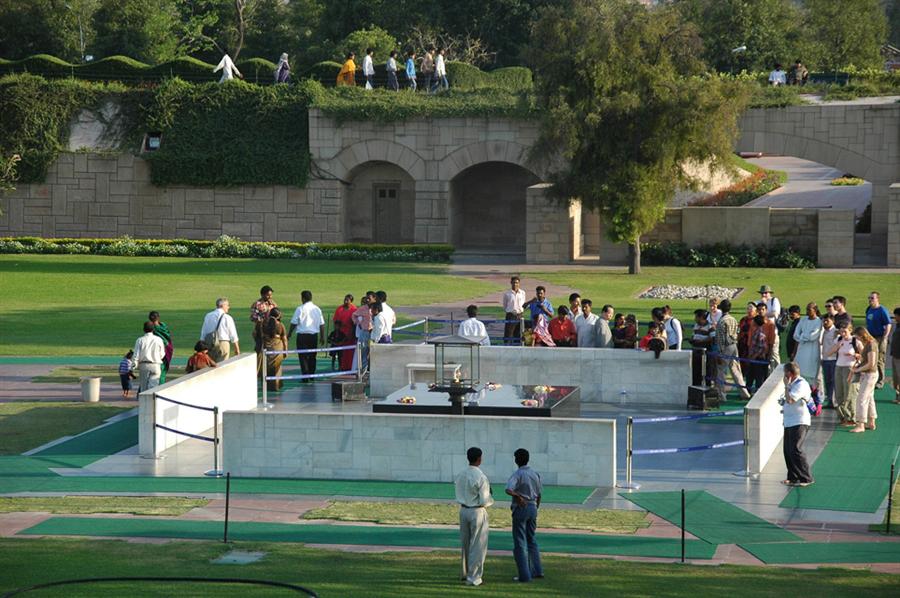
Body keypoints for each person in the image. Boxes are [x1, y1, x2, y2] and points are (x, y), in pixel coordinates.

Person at [455, 446, 493, 587]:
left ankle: (465, 573)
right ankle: (474, 577)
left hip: (463, 510)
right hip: (477, 511)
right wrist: (490, 496)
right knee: (477, 545)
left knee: (465, 544)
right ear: (479, 459)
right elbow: (484, 500)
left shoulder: (461, 474)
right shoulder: (481, 476)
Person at [505, 448, 543, 583]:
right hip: (533, 507)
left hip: (521, 508)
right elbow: (539, 494)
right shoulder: (535, 474)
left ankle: (524, 575)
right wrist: (536, 507)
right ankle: (537, 570)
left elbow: (509, 489)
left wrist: (518, 496)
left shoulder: (517, 474)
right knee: (532, 540)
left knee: (520, 542)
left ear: (516, 460)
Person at [780, 362, 814, 487]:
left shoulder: (801, 384)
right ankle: (793, 477)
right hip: (790, 421)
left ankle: (806, 478)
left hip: (799, 421)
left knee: (796, 449)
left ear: (789, 373)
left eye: (785, 373)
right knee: (787, 450)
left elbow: (790, 400)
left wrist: (786, 386)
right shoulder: (793, 384)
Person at [714, 299, 751, 401]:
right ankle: (744, 393)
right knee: (736, 370)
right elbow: (738, 332)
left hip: (725, 347)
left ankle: (721, 395)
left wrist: (719, 352)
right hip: (734, 345)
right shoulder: (733, 319)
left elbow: (720, 339)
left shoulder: (722, 321)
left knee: (721, 371)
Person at [288, 291, 325, 377]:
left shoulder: (300, 308)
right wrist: (322, 337)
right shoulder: (317, 309)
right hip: (314, 336)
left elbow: (294, 322)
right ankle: (311, 375)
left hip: (302, 336)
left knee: (303, 356)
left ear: (303, 298)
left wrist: (289, 333)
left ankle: (305, 376)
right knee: (312, 356)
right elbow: (322, 324)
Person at [849, 327, 879, 433]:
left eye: (858, 337)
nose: (857, 340)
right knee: (869, 398)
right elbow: (866, 360)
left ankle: (860, 424)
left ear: (862, 335)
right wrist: (859, 358)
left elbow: (871, 363)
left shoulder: (871, 344)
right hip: (869, 374)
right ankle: (871, 422)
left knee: (861, 399)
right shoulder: (869, 343)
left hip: (870, 375)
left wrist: (857, 370)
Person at [833, 324, 860, 426]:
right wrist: (837, 345)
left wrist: (854, 355)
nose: (843, 334)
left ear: (850, 331)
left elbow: (862, 356)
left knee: (849, 393)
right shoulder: (838, 340)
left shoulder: (855, 341)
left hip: (850, 368)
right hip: (838, 367)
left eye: (845, 332)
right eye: (841, 332)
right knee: (839, 393)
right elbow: (830, 351)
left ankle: (850, 418)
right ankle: (842, 417)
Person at [865, 291, 892, 389]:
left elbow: (888, 324)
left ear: (877, 299)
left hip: (880, 337)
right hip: (870, 338)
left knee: (880, 359)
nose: (870, 300)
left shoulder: (882, 310)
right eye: (869, 298)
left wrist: (885, 337)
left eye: (872, 298)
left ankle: (880, 380)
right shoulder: (869, 309)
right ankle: (872, 377)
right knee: (870, 357)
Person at [200, 298, 240, 362]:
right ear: (222, 305)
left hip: (210, 343)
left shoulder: (208, 315)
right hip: (223, 343)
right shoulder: (227, 317)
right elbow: (233, 334)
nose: (228, 307)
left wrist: (202, 344)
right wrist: (237, 348)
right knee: (222, 365)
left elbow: (204, 331)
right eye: (227, 305)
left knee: (211, 365)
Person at [793, 302, 822, 386]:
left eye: (809, 310)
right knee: (799, 370)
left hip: (812, 350)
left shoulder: (818, 321)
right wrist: (804, 336)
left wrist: (802, 336)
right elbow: (796, 334)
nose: (807, 312)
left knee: (810, 373)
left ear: (815, 310)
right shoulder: (803, 319)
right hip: (801, 349)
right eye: (806, 309)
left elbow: (813, 336)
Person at [250, 285, 277, 375]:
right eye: (268, 295)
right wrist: (263, 319)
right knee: (260, 352)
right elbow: (253, 317)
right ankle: (257, 374)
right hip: (260, 332)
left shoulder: (273, 304)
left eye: (270, 295)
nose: (270, 297)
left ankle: (269, 373)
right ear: (262, 294)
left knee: (271, 353)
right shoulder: (257, 304)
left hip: (271, 332)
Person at [133, 321, 165, 393]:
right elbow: (162, 354)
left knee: (144, 389)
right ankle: (152, 403)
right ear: (153, 329)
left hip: (144, 365)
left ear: (144, 329)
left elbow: (136, 355)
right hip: (156, 365)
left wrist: (133, 366)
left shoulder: (140, 340)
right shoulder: (159, 339)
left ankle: (144, 404)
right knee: (154, 388)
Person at [260, 308, 288, 391]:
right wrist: (285, 350)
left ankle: (266, 386)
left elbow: (259, 335)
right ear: (278, 315)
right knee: (277, 368)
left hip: (267, 348)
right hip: (278, 348)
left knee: (266, 367)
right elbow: (284, 338)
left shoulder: (264, 324)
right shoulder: (280, 325)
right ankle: (276, 386)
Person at [331, 294, 357, 371]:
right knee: (339, 352)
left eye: (347, 300)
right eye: (345, 299)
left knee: (348, 352)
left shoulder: (354, 309)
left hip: (349, 334)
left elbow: (354, 323)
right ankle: (340, 366)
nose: (345, 301)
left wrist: (351, 334)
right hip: (340, 334)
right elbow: (335, 320)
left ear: (351, 301)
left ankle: (349, 367)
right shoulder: (339, 309)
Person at [688, 309, 714, 386]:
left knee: (706, 370)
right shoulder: (696, 326)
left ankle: (708, 386)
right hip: (696, 350)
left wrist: (701, 341)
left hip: (705, 351)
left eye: (696, 317)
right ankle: (696, 386)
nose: (695, 319)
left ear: (701, 317)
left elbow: (712, 338)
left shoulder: (710, 326)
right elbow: (694, 335)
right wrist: (692, 340)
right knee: (696, 370)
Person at [746, 314, 771, 393]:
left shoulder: (760, 333)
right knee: (750, 376)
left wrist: (753, 356)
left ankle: (758, 393)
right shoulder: (757, 331)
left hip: (757, 359)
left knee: (758, 377)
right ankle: (748, 391)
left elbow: (761, 347)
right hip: (754, 358)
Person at [149, 311, 173, 384]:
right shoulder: (163, 326)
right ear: (158, 318)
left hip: (157, 352)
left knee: (158, 373)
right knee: (162, 372)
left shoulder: (152, 328)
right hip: (167, 350)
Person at [820, 314, 839, 408]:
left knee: (834, 381)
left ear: (833, 321)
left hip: (833, 360)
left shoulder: (836, 332)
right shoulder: (825, 331)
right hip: (825, 360)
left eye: (827, 321)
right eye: (824, 321)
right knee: (827, 381)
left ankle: (835, 402)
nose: (825, 322)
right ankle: (830, 401)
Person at [502, 276, 527, 345]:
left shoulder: (522, 293)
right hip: (511, 315)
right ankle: (507, 348)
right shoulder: (507, 294)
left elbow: (523, 304)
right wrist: (511, 311)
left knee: (520, 333)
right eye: (513, 283)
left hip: (520, 315)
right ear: (511, 283)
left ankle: (519, 348)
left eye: (517, 283)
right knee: (508, 334)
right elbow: (505, 306)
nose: (515, 284)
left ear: (519, 283)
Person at [353, 292, 375, 370]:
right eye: (367, 298)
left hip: (374, 333)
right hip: (365, 332)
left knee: (373, 352)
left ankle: (371, 370)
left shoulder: (376, 307)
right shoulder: (363, 308)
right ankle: (363, 370)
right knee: (363, 351)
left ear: (374, 298)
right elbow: (354, 315)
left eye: (369, 298)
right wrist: (358, 323)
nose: (368, 299)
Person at [738, 302, 757, 379]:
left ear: (755, 310)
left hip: (752, 345)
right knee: (742, 363)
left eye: (751, 308)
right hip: (742, 344)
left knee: (751, 365)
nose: (749, 310)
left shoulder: (757, 320)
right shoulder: (743, 319)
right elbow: (739, 331)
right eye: (748, 308)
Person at [891, 307, 900, 404]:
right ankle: (897, 395)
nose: (895, 317)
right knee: (896, 377)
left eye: (896, 316)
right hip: (895, 354)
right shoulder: (898, 325)